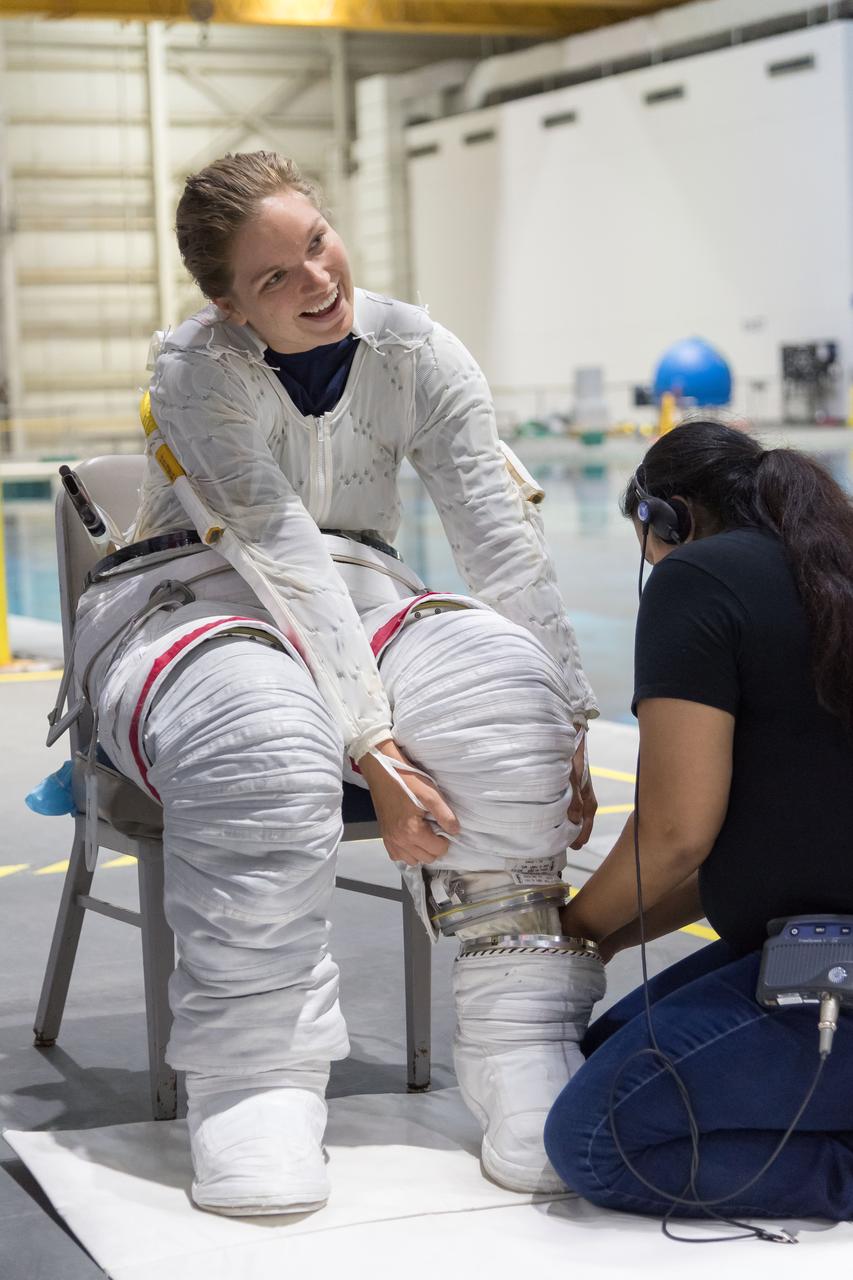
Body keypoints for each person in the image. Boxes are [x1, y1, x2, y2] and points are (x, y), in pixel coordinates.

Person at [68, 151, 605, 1216]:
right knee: (258, 732)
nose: (316, 280)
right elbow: (279, 554)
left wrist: (571, 721)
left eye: (315, 241)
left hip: (363, 586)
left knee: (503, 682)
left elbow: (499, 544)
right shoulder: (195, 370)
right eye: (274, 277)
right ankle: (254, 1074)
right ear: (227, 302)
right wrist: (372, 746)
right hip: (189, 598)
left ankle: (518, 1040)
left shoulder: (417, 350)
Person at [544, 418, 853, 1222]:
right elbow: (747, 842)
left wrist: (573, 925)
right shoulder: (826, 571)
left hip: (836, 957)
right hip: (816, 934)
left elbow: (675, 833)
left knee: (595, 1139)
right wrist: (611, 937)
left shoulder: (697, 579)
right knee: (607, 1051)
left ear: (666, 518)